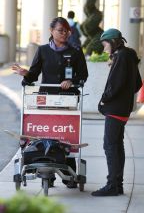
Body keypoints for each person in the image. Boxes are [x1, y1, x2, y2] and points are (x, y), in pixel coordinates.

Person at [12, 16, 88, 188]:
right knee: (48, 135)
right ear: (51, 31)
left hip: (67, 100)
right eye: (60, 30)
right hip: (46, 99)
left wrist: (72, 82)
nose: (64, 34)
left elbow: (83, 75)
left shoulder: (75, 50)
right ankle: (49, 175)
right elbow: (33, 74)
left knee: (66, 136)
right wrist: (26, 74)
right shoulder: (43, 50)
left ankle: (69, 175)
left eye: (67, 31)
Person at [91, 28, 142, 196]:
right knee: (116, 146)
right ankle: (117, 184)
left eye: (105, 44)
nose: (104, 48)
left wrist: (104, 100)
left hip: (115, 108)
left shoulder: (121, 56)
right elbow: (137, 84)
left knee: (110, 146)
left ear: (113, 42)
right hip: (123, 108)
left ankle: (113, 185)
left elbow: (115, 85)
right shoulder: (127, 56)